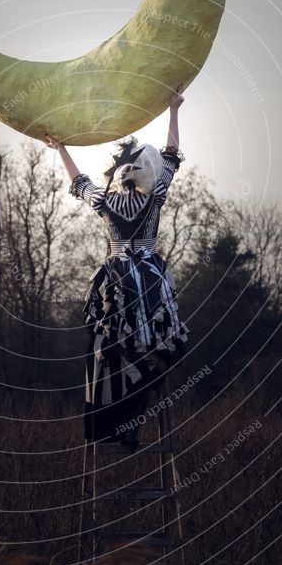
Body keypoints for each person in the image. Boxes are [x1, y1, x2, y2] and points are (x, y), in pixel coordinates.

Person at [43, 88, 189, 450]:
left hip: (118, 281)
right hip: (150, 280)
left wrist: (60, 148)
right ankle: (130, 419)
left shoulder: (107, 200)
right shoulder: (155, 195)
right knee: (158, 347)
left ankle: (120, 421)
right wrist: (172, 109)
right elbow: (171, 157)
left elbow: (78, 182)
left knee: (115, 347)